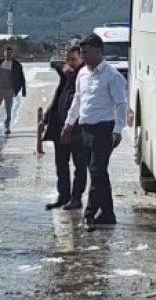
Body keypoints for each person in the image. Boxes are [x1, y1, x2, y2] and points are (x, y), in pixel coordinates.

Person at [63, 34, 128, 231]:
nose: (84, 56)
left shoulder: (112, 75)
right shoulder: (82, 74)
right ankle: (108, 213)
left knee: (97, 171)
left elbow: (121, 105)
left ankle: (89, 215)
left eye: (87, 53)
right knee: (99, 173)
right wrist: (68, 123)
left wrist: (117, 131)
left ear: (99, 51)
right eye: (82, 53)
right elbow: (78, 100)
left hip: (104, 129)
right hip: (85, 128)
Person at [42, 46, 87, 210]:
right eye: (68, 60)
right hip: (60, 127)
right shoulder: (66, 77)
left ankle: (76, 198)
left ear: (81, 59)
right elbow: (58, 97)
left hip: (77, 130)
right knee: (61, 163)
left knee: (80, 165)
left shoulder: (83, 76)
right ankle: (63, 195)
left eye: (74, 60)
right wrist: (46, 117)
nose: (70, 63)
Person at [0, 46, 26, 136]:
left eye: (10, 53)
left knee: (8, 109)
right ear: (4, 53)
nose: (8, 55)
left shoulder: (16, 65)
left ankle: (7, 127)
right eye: (6, 53)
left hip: (9, 90)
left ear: (12, 54)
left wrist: (22, 90)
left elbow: (21, 78)